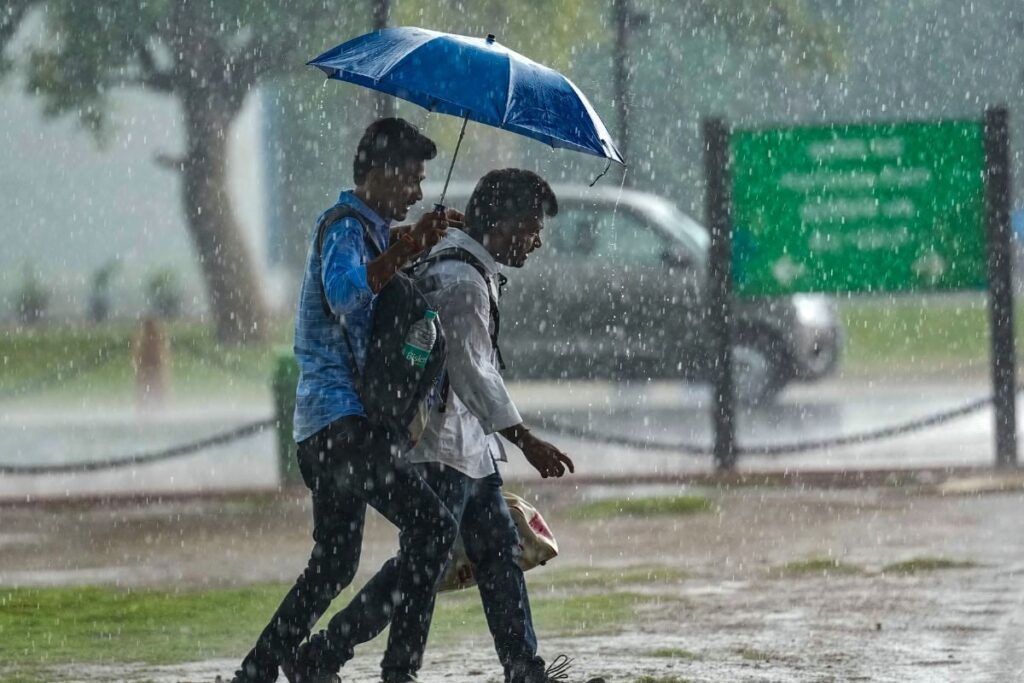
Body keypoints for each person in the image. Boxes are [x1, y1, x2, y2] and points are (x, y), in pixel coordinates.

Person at [290, 169, 605, 683]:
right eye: (530, 226)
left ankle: (523, 668)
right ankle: (336, 654)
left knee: (497, 553)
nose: (537, 240)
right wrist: (526, 440)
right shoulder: (462, 282)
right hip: (441, 443)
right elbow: (471, 372)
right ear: (499, 224)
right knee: (424, 564)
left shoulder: (451, 261)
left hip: (464, 443)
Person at [229, 118, 460, 683]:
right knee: (431, 527)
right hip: (339, 427)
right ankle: (392, 667)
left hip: (333, 432)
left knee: (334, 564)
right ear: (377, 173)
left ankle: (262, 668)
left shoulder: (375, 232)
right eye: (409, 180)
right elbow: (347, 294)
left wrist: (411, 247)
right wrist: (405, 248)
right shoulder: (344, 228)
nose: (414, 193)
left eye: (421, 182)